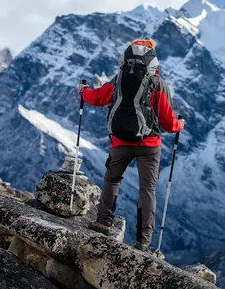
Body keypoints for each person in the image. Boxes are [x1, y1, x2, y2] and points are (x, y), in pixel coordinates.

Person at [77, 39, 184, 255]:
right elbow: (168, 123)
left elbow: (97, 98)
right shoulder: (158, 84)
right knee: (147, 190)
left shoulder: (118, 80)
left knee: (112, 179)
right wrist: (179, 124)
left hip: (120, 142)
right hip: (150, 145)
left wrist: (83, 90)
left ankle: (103, 223)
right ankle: (143, 242)